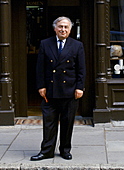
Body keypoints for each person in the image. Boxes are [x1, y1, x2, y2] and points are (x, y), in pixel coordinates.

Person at [30, 16, 86, 161]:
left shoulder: (77, 45)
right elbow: (40, 68)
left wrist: (80, 87)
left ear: (70, 29)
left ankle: (65, 150)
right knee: (49, 123)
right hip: (50, 90)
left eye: (66, 27)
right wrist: (41, 86)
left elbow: (81, 69)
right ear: (55, 28)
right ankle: (47, 151)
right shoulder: (45, 44)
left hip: (70, 91)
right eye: (60, 27)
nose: (63, 30)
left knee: (67, 124)